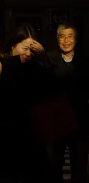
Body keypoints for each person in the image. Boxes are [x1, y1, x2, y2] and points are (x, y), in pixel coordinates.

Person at [0, 24, 58, 183]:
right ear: (13, 45)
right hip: (6, 142)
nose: (28, 53)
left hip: (32, 142)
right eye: (24, 48)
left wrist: (44, 59)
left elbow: (52, 91)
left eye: (32, 49)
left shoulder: (35, 67)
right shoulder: (0, 65)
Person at [46, 23, 89, 183]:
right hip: (55, 123)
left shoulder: (84, 62)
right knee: (54, 165)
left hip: (79, 121)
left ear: (76, 40)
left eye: (70, 36)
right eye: (62, 36)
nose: (66, 40)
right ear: (57, 40)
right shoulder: (50, 59)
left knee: (79, 165)